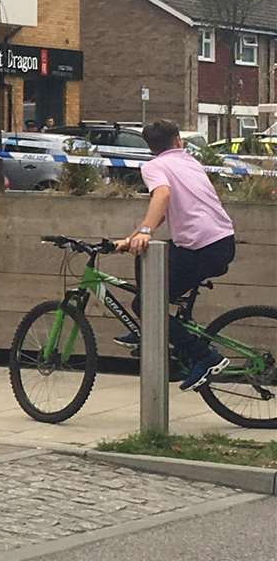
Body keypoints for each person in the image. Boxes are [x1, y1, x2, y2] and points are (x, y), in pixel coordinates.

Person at [116, 119, 235, 391]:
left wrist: (145, 230)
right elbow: (166, 208)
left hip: (201, 247)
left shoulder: (154, 166)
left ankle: (204, 356)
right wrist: (134, 237)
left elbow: (162, 196)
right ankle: (152, 326)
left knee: (144, 305)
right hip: (222, 241)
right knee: (144, 258)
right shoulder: (190, 162)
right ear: (178, 140)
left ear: (150, 147)